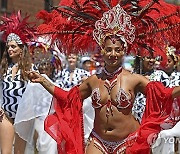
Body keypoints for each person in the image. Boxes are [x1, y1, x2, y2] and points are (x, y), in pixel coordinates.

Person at [34, 1, 180, 153]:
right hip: (98, 141)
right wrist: (43, 81)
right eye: (108, 50)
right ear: (102, 51)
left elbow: (163, 94)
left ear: (124, 51)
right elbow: (68, 97)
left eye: (117, 50)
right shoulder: (93, 80)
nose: (113, 54)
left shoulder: (134, 79)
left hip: (128, 141)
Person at [0, 11, 36, 154]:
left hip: (24, 117)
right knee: (5, 152)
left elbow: (41, 90)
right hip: (6, 116)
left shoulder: (30, 69)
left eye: (13, 46)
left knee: (19, 152)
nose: (10, 49)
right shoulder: (3, 69)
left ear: (22, 49)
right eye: (8, 47)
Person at [14, 42, 60, 154]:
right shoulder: (33, 85)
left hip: (54, 123)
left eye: (46, 66)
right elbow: (28, 106)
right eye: (42, 66)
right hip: (37, 122)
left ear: (51, 67)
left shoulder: (57, 84)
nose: (44, 69)